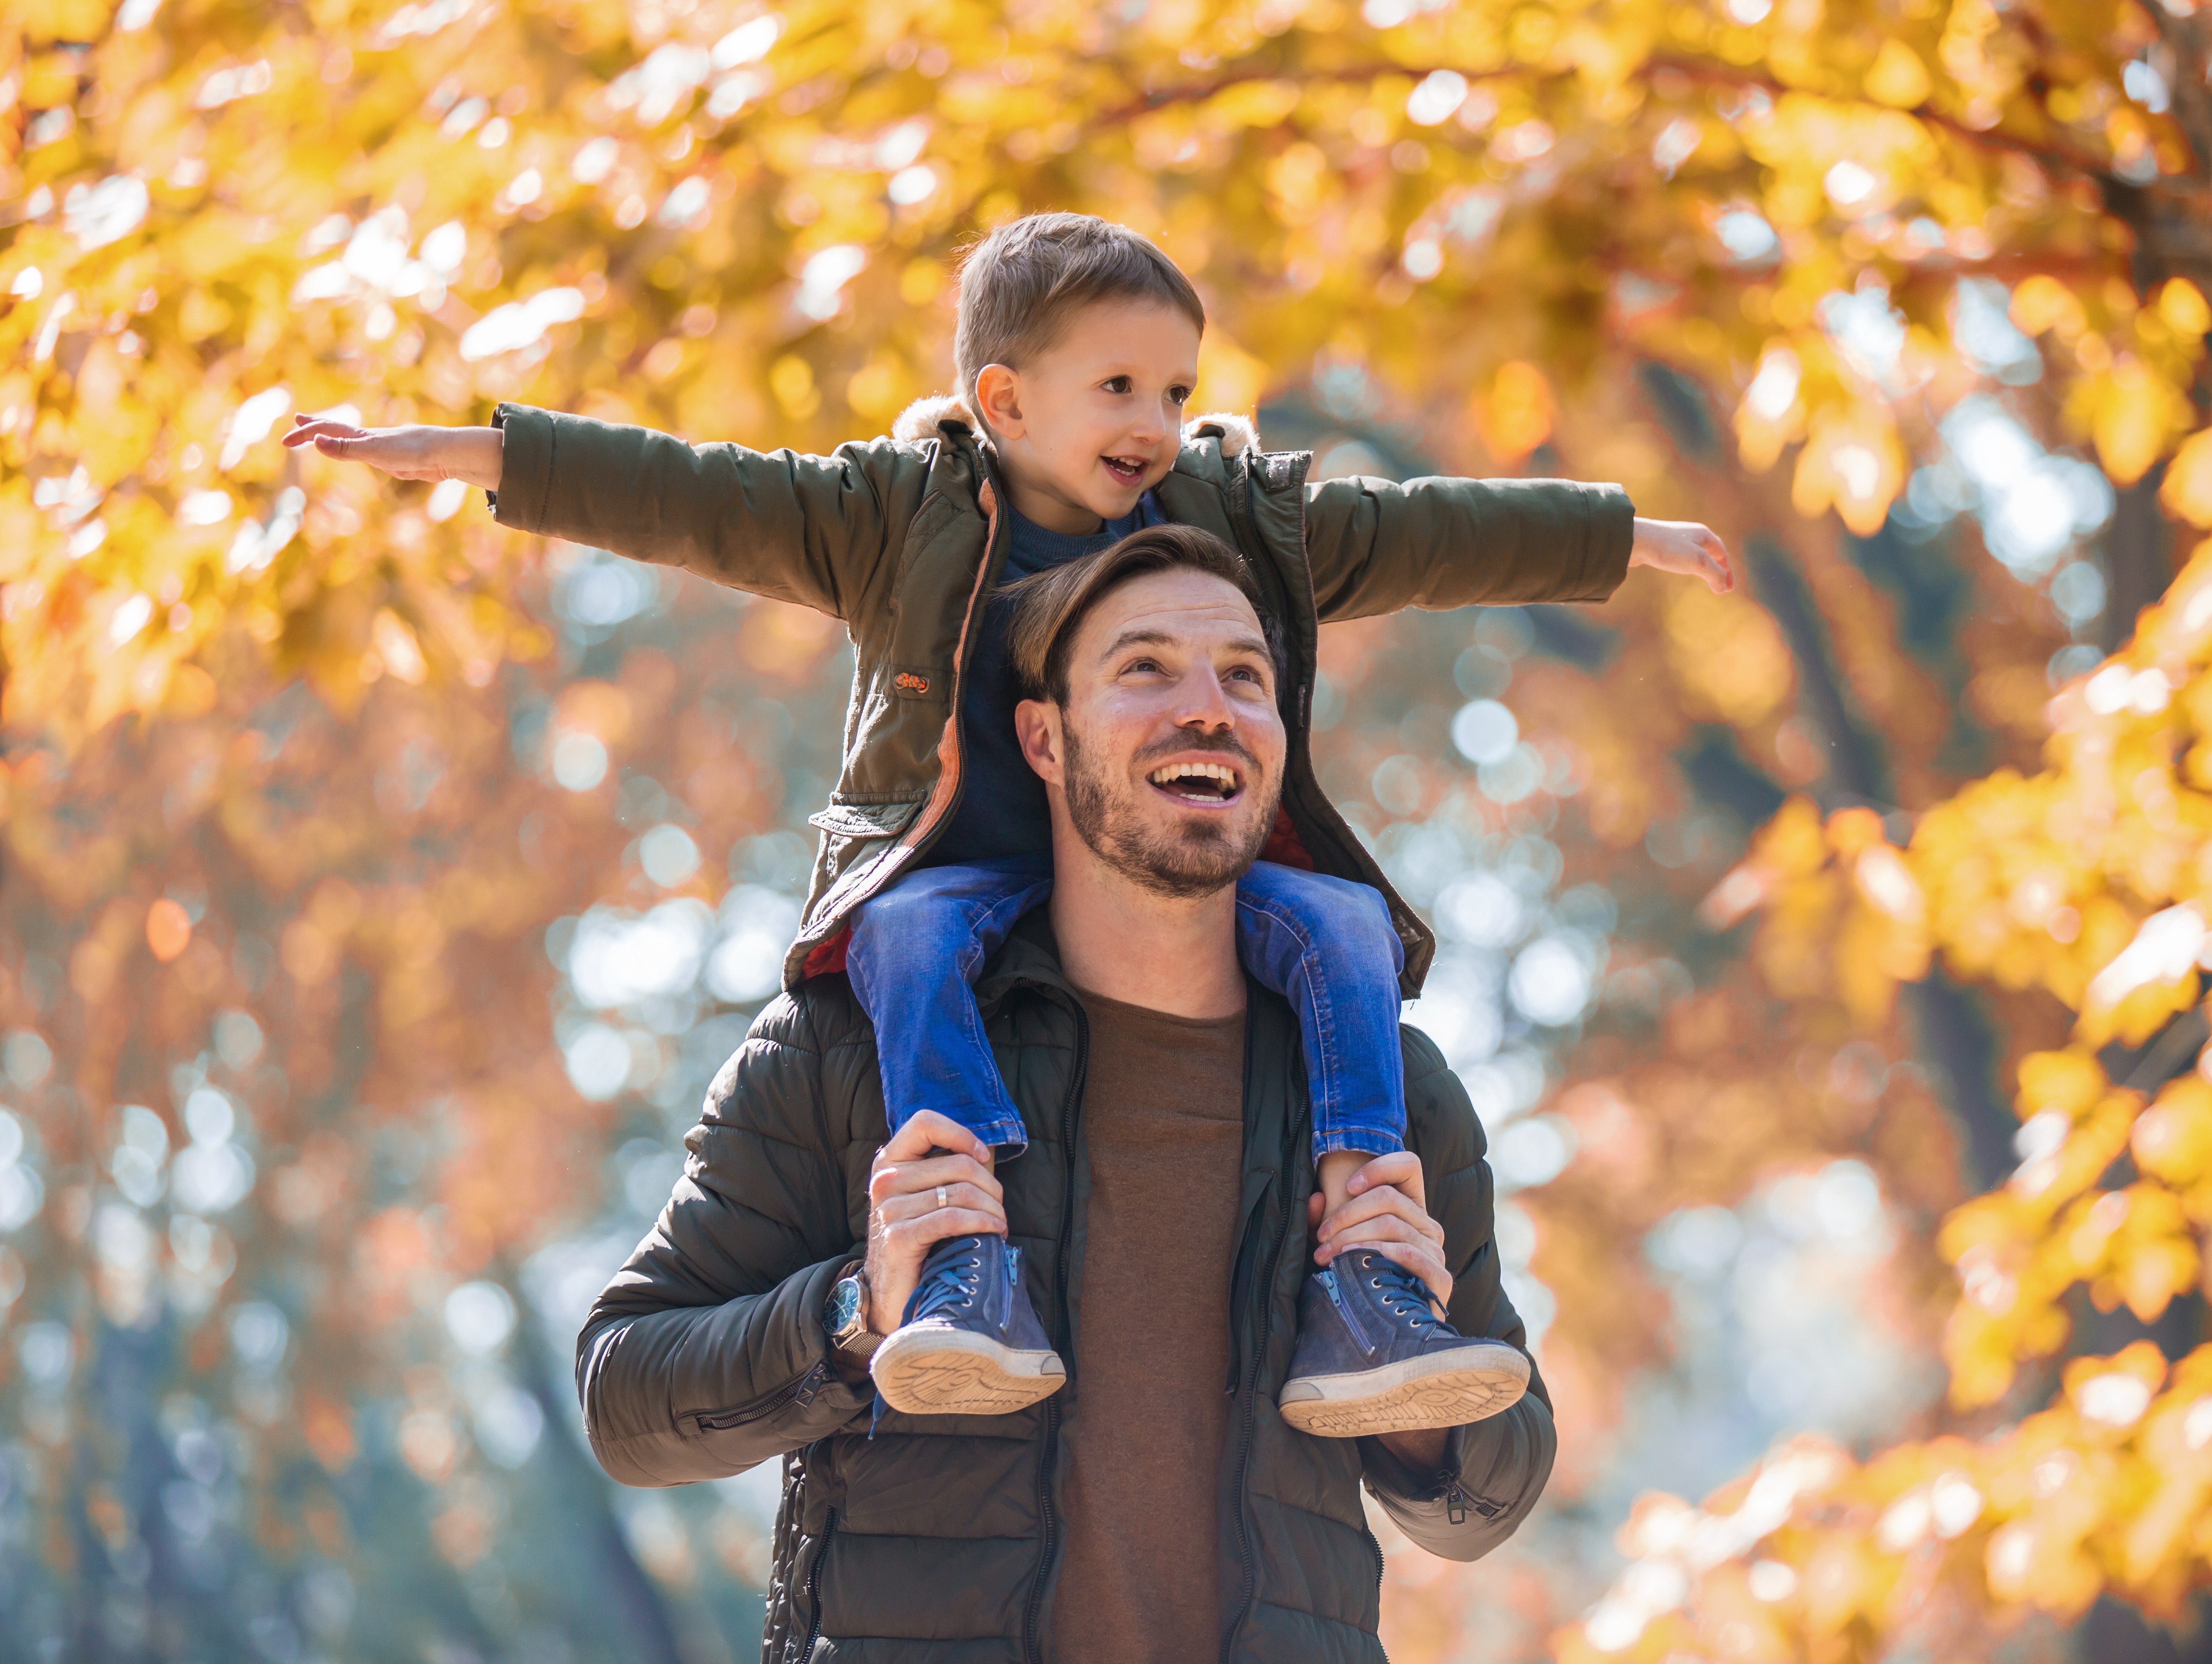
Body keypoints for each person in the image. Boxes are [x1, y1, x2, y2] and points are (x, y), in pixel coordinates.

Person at [283, 211, 1731, 1432]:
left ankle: (1366, 1263)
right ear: (1004, 399)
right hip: (962, 877)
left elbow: (1429, 535)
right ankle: (967, 1253)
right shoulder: (889, 515)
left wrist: (1626, 538)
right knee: (902, 932)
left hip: (1170, 886)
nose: (1158, 427)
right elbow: (679, 492)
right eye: (1120, 389)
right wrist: (463, 456)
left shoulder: (1236, 516)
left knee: (1348, 918)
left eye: (1177, 390)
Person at [573, 528, 1555, 1661]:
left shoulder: (1385, 1090)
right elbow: (624, 1398)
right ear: (1043, 736)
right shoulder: (855, 1053)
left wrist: (1428, 1401)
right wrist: (860, 1311)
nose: (1209, 707)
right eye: (1145, 667)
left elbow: (1498, 1490)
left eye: (1246, 676)